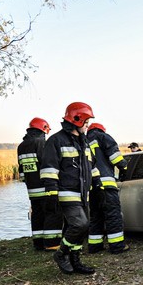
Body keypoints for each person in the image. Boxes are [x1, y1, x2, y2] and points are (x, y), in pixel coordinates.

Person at [41, 102, 99, 275]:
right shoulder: (56, 141)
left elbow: (91, 165)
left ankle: (75, 260)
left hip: (83, 193)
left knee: (82, 227)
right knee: (80, 224)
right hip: (67, 191)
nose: (88, 126)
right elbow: (49, 168)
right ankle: (62, 254)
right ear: (77, 119)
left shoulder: (84, 142)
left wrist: (97, 183)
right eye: (86, 122)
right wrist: (51, 192)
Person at [17, 117, 63, 251]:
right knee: (52, 212)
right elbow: (47, 164)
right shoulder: (41, 143)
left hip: (31, 188)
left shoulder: (22, 146)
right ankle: (52, 243)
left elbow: (22, 170)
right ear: (43, 128)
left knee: (37, 214)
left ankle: (38, 243)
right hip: (45, 186)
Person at [86, 123, 130, 254]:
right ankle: (117, 246)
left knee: (96, 216)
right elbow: (115, 157)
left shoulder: (83, 140)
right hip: (106, 184)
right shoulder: (103, 137)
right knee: (113, 215)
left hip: (92, 186)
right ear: (101, 130)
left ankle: (95, 246)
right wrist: (124, 168)